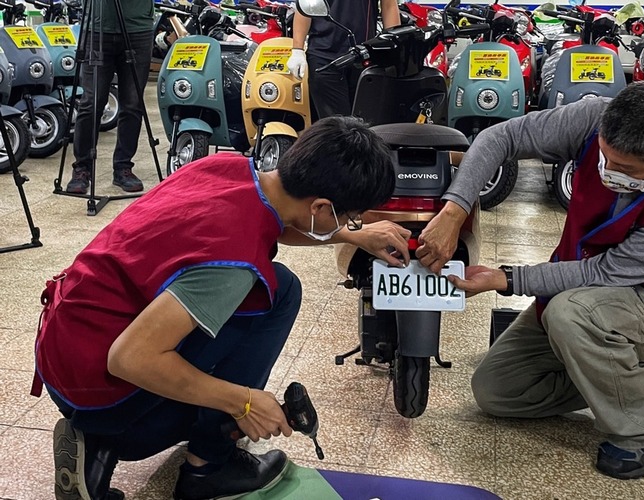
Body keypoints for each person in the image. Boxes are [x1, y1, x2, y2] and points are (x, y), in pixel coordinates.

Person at [34, 116, 410, 500]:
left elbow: (278, 222)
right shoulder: (232, 264)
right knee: (271, 301)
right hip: (102, 389)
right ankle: (204, 465)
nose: (350, 223)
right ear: (322, 206)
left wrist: (354, 235)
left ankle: (95, 446)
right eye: (350, 217)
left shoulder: (225, 168)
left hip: (65, 348)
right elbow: (129, 359)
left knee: (280, 286)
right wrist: (244, 403)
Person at [416, 82, 644, 480]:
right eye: (604, 157)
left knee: (569, 314)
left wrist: (506, 279)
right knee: (497, 390)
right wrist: (454, 211)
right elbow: (500, 137)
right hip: (579, 295)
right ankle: (630, 378)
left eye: (626, 170)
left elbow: (605, 272)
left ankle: (639, 432)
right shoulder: (592, 117)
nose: (609, 172)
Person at [65, 0, 154, 194]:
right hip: (96, 29)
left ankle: (123, 167)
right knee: (91, 102)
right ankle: (82, 168)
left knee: (133, 103)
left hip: (137, 28)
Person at [287, 0, 400, 119]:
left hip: (363, 56)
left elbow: (389, 6)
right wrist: (297, 50)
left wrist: (395, 46)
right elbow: (304, 7)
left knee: (366, 120)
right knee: (336, 122)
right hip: (324, 55)